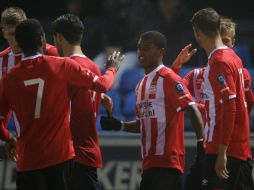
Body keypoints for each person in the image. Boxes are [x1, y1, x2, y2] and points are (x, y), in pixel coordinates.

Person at [0, 19, 123, 190]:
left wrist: (8, 138)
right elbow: (103, 84)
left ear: (19, 46)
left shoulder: (9, 79)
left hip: (27, 162)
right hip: (59, 159)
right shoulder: (61, 66)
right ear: (42, 40)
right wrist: (112, 68)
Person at [100, 31, 204, 190]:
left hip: (167, 163)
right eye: (139, 48)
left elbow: (191, 108)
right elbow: (144, 124)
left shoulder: (168, 77)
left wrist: (200, 144)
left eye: (147, 48)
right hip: (149, 164)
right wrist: (119, 125)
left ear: (161, 51)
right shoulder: (140, 85)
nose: (141, 52)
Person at [191, 8, 254, 190]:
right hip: (236, 148)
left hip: (223, 149)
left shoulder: (219, 61)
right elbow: (245, 101)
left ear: (197, 32)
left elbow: (230, 106)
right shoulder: (233, 57)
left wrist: (222, 152)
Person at [51, 14, 113, 190]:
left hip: (70, 155)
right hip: (89, 152)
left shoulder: (63, 68)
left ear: (59, 37)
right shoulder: (93, 66)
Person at [0, 7, 59, 157]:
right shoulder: (2, 61)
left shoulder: (51, 53)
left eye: (18, 34)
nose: (15, 39)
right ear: (4, 33)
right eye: (10, 35)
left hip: (57, 142)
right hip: (27, 146)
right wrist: (7, 137)